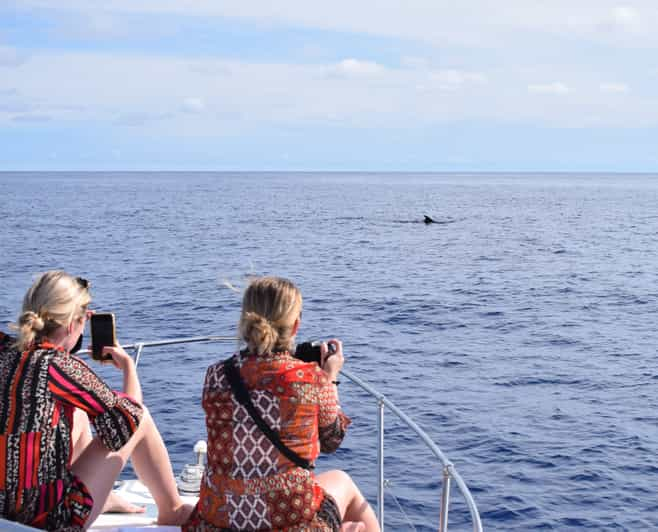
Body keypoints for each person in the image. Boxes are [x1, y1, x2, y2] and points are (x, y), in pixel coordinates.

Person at [0, 270, 193, 530]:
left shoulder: (5, 350)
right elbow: (129, 419)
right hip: (46, 519)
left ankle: (106, 496)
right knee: (140, 415)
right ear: (72, 324)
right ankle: (172, 509)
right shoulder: (59, 367)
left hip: (3, 511)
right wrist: (128, 369)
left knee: (77, 412)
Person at [184, 276, 379, 532]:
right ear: (295, 325)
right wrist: (330, 378)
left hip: (218, 522)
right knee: (344, 483)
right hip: (291, 522)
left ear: (245, 322)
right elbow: (332, 440)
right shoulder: (311, 378)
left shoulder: (215, 375)